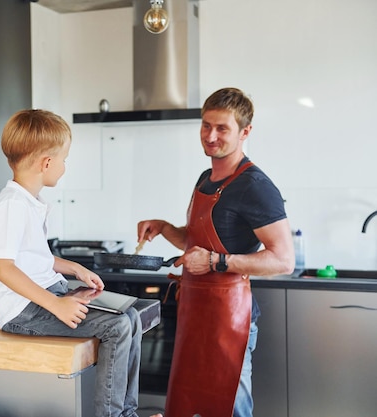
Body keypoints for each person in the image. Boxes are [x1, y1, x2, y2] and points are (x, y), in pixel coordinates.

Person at [0, 109, 161, 417]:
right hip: (22, 310)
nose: (65, 166)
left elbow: (34, 258)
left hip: (43, 297)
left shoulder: (27, 202)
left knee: (130, 316)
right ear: (46, 163)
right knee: (117, 326)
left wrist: (74, 268)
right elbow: (4, 268)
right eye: (64, 158)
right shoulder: (11, 206)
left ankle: (127, 412)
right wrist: (57, 304)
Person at [137, 88, 294, 417]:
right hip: (195, 311)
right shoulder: (205, 179)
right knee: (191, 407)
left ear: (245, 132)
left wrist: (215, 262)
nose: (211, 136)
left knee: (229, 407)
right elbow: (195, 245)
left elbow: (283, 260)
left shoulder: (255, 186)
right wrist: (165, 227)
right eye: (206, 126)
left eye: (222, 128)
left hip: (230, 318)